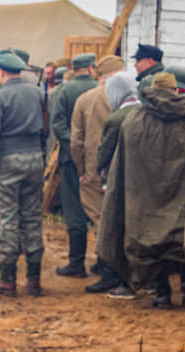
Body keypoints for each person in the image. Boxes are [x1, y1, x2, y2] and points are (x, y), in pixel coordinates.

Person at [97, 72, 185, 307]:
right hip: (184, 192)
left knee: (152, 243)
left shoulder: (134, 120)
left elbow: (124, 161)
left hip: (144, 194)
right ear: (176, 90)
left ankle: (162, 293)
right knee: (184, 240)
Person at [0, 51, 45, 297]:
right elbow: (44, 128)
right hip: (34, 158)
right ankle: (34, 278)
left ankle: (7, 277)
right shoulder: (37, 92)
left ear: (1, 72)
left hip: (6, 161)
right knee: (32, 216)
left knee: (5, 217)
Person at [87, 71, 141, 295]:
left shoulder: (117, 118)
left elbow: (104, 152)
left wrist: (100, 173)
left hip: (118, 181)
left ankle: (111, 274)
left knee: (112, 228)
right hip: (141, 181)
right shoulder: (143, 111)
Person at [70, 55, 125, 278]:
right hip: (124, 167)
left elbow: (76, 141)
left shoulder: (85, 99)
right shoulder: (128, 96)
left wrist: (81, 170)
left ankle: (107, 264)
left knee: (100, 217)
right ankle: (116, 265)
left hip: (94, 168)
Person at [51, 52, 98, 277]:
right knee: (100, 208)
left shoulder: (64, 90)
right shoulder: (102, 89)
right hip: (100, 158)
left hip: (70, 158)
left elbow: (57, 125)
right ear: (91, 68)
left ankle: (76, 263)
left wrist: (75, 141)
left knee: (74, 209)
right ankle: (104, 262)